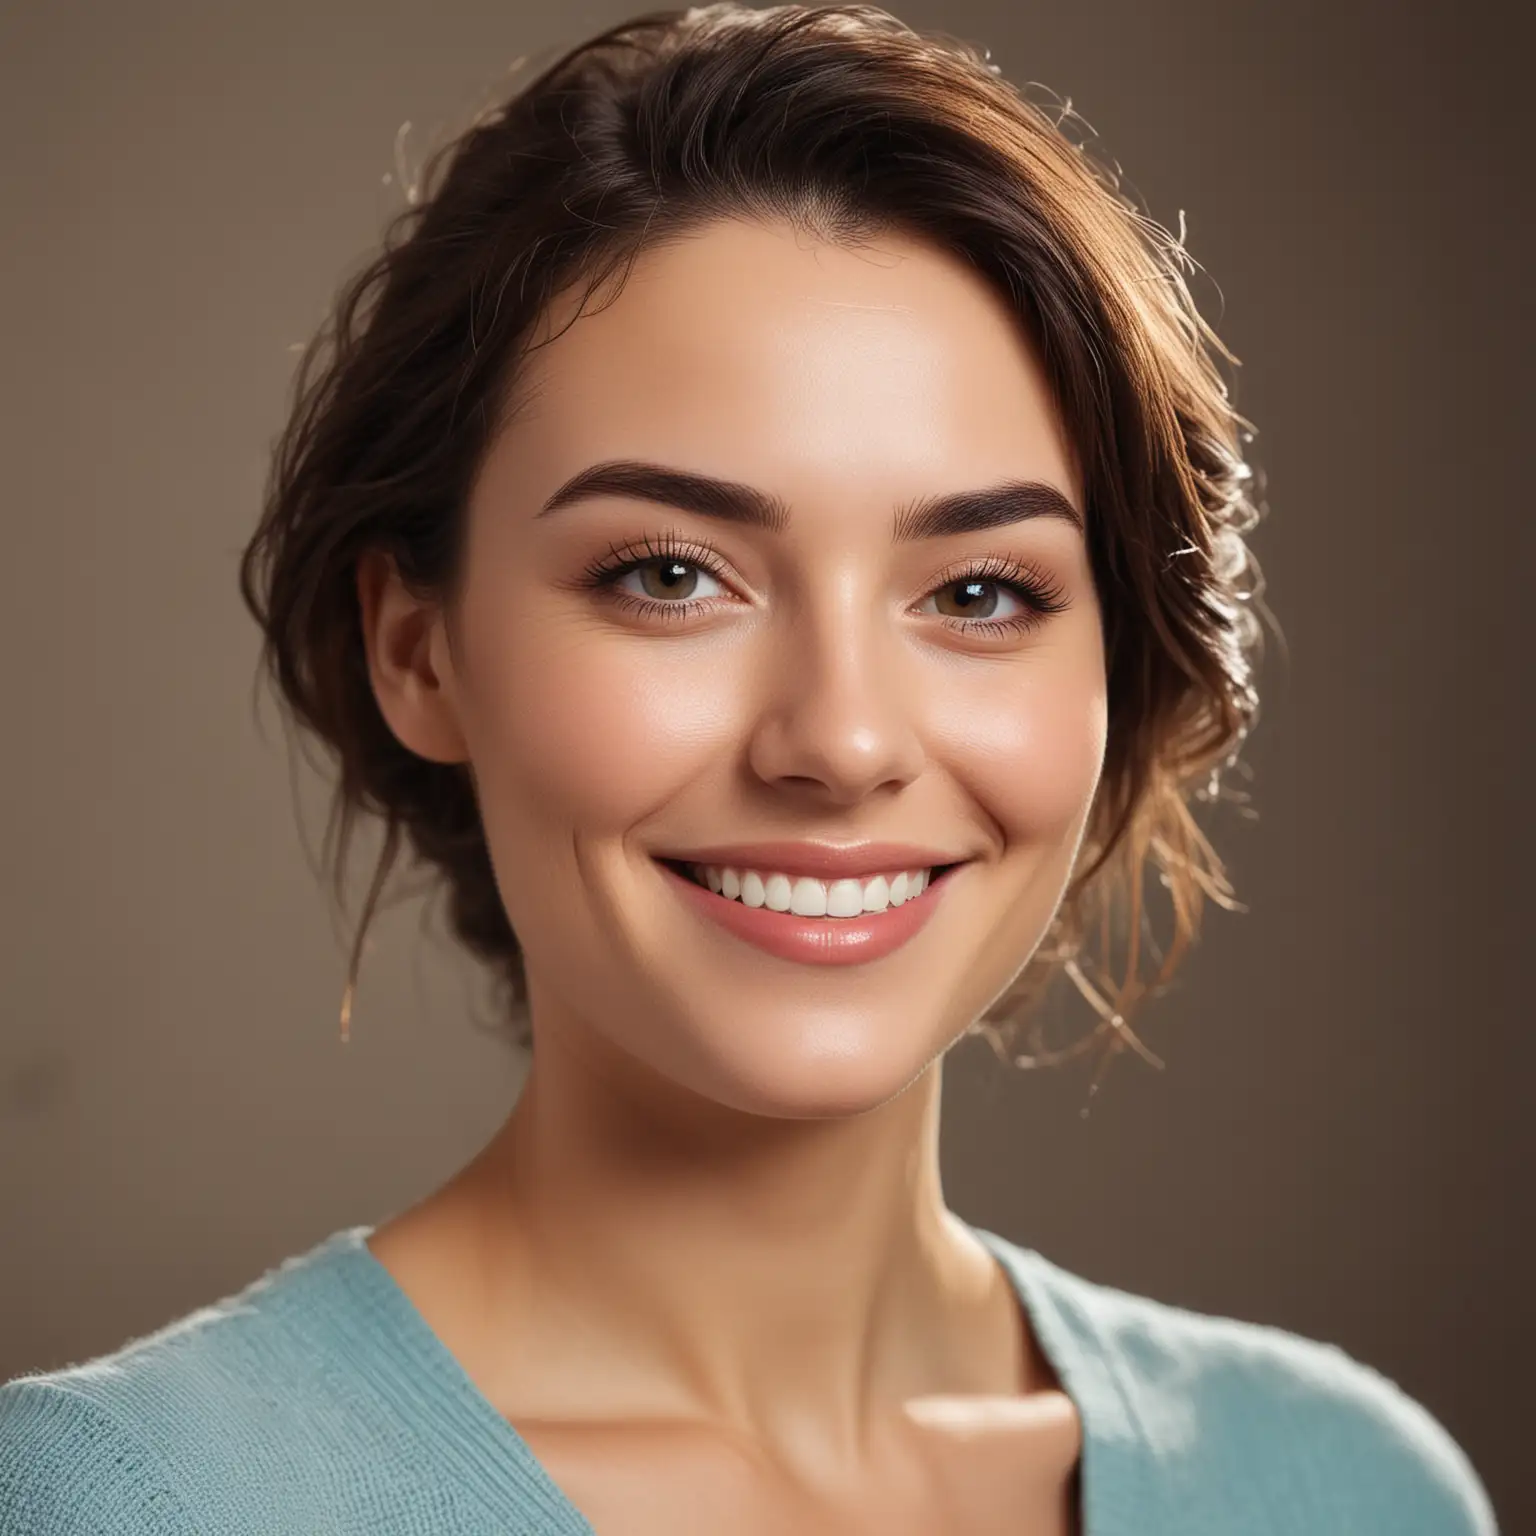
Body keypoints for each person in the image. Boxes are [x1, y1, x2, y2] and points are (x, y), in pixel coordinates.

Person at [0, 4, 1497, 1532]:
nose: (840, 742)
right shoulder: (119, 1505)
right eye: (669, 576)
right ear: (417, 649)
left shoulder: (1351, 1491)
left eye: (980, 592)